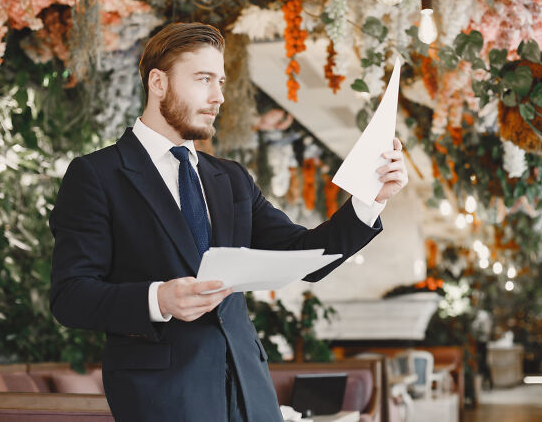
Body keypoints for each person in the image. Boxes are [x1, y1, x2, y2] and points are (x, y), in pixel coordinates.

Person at [49, 22, 409, 422]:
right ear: (158, 82)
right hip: (160, 399)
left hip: (249, 390)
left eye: (220, 81)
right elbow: (70, 297)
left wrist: (368, 202)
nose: (218, 96)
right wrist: (159, 299)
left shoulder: (231, 178)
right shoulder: (97, 175)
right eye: (204, 79)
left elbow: (306, 256)